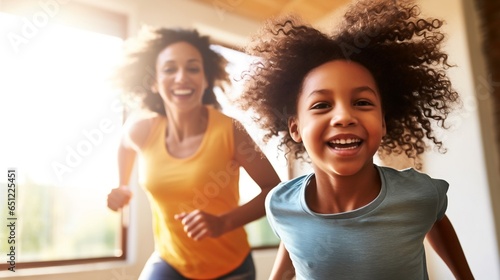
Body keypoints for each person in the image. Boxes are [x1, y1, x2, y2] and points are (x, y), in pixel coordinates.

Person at [235, 0, 475, 279]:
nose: (343, 117)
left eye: (362, 102)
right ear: (295, 127)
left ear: (383, 122)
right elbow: (295, 242)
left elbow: (435, 218)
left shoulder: (419, 194)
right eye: (322, 105)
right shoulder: (279, 204)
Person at [106, 26, 281, 280]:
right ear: (154, 81)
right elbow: (124, 143)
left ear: (206, 79)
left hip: (229, 266)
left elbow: (274, 189)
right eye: (169, 69)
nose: (181, 77)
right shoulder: (143, 129)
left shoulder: (229, 131)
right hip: (170, 261)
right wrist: (122, 185)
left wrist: (223, 223)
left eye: (192, 68)